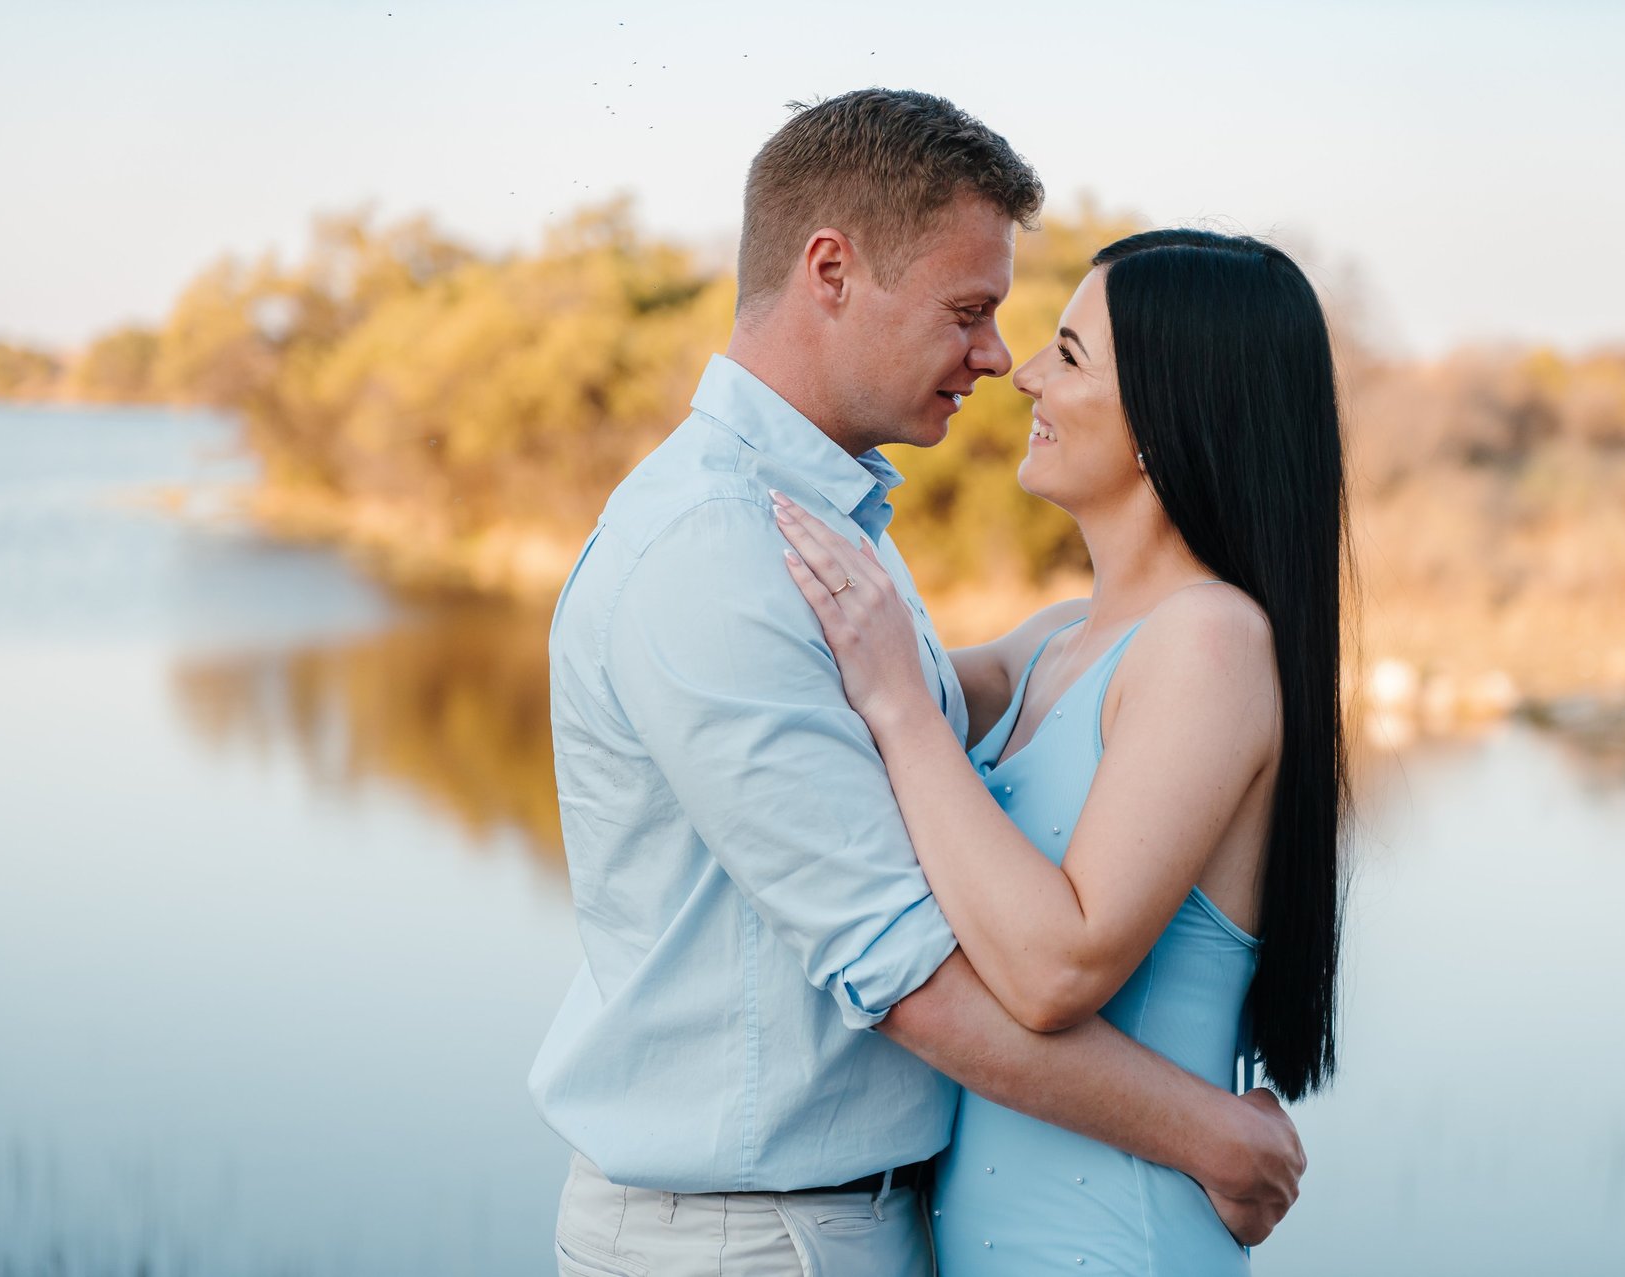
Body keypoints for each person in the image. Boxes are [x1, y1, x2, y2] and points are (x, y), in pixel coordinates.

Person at [530, 90, 1304, 1277]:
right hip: (752, 1235)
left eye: (1049, 341)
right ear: (831, 270)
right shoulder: (721, 552)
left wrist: (906, 694)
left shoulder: (835, 530)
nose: (1007, 362)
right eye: (973, 311)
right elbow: (906, 972)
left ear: (1174, 411)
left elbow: (940, 728)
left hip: (897, 1222)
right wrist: (1205, 1129)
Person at [774, 226, 1348, 1274]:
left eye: (1072, 356)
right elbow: (823, 679)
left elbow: (1055, 967)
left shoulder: (1210, 641)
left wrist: (903, 704)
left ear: (1173, 417)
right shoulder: (1051, 644)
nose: (1026, 375)